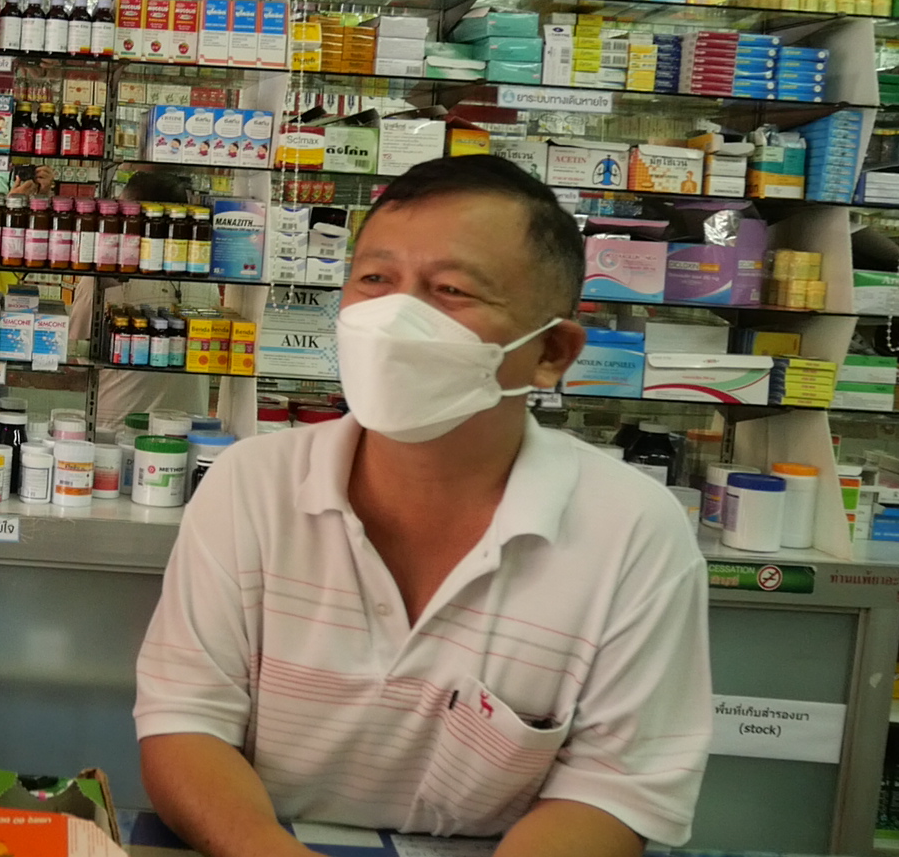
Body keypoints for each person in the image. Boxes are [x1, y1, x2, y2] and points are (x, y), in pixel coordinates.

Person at [135, 155, 711, 855]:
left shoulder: (632, 531)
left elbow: (614, 792)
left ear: (551, 352)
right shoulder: (251, 485)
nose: (393, 319)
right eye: (375, 280)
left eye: (451, 289)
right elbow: (185, 722)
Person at [67, 169, 214, 430]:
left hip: (118, 428)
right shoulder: (205, 274)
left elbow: (76, 358)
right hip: (188, 427)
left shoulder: (104, 278)